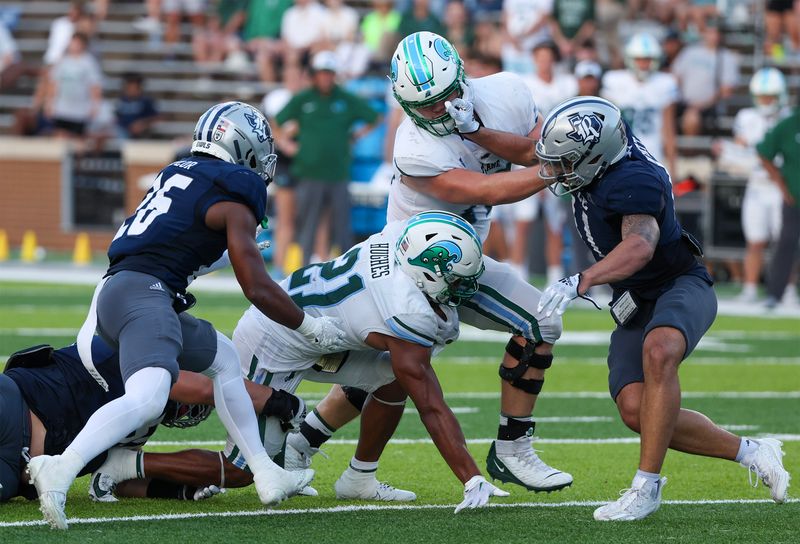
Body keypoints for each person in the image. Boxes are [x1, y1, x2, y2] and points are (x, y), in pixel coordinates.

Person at [24, 101, 351, 529]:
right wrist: (309, 325)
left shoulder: (178, 171)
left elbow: (169, 241)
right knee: (149, 398)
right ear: (242, 145)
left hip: (127, 290)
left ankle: (265, 471)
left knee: (224, 359)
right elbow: (255, 285)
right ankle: (62, 467)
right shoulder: (237, 186)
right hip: (145, 293)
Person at [296, 31, 570, 494]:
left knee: (537, 324)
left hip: (465, 251)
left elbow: (532, 150)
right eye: (425, 105)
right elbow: (486, 190)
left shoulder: (509, 91)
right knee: (398, 365)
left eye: (445, 98)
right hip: (413, 260)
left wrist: (482, 133)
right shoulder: (412, 147)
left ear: (463, 76)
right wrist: (557, 169)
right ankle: (317, 450)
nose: (437, 111)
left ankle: (511, 449)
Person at [90, 211, 511, 512]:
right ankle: (124, 464)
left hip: (316, 330)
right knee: (240, 471)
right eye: (456, 281)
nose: (463, 291)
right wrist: (471, 477)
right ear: (428, 271)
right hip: (273, 340)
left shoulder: (396, 239)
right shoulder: (406, 307)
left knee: (393, 376)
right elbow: (431, 402)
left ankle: (357, 477)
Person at [535, 96, 790, 521]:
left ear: (596, 156)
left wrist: (582, 279)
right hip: (634, 299)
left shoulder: (633, 177)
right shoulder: (601, 154)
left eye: (567, 162)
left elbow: (639, 245)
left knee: (661, 350)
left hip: (679, 283)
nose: (557, 171)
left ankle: (646, 487)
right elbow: (534, 149)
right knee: (636, 410)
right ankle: (752, 451)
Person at [0, 339, 261, 503]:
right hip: (15, 408)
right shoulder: (137, 349)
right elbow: (206, 389)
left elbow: (122, 477)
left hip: (15, 471)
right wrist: (276, 401)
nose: (189, 411)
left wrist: (177, 490)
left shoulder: (143, 413)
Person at [274, 51, 380, 265]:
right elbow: (277, 121)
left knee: (341, 225)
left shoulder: (345, 98)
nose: (325, 78)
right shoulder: (304, 98)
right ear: (315, 74)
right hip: (308, 171)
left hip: (338, 172)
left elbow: (374, 116)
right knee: (307, 223)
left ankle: (349, 269)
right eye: (322, 73)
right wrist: (287, 145)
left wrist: (356, 136)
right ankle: (302, 269)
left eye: (329, 73)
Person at [715, 68, 791, 303]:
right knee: (755, 241)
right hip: (757, 185)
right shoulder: (747, 117)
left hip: (781, 187)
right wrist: (726, 152)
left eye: (770, 96)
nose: (766, 101)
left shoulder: (789, 118)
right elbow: (739, 149)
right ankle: (749, 288)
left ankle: (786, 290)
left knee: (785, 242)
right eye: (762, 96)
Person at [602, 32, 678, 177]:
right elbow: (607, 126)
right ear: (630, 59)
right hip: (621, 153)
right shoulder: (615, 81)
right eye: (639, 59)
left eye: (647, 59)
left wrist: (673, 168)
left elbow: (668, 129)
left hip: (653, 152)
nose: (643, 64)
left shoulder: (665, 83)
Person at [757, 90, 800, 309]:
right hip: (794, 198)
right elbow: (764, 152)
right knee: (786, 244)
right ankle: (774, 294)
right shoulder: (790, 124)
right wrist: (782, 186)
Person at [671, 22, 739, 136]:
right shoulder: (689, 52)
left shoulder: (726, 58)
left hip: (711, 107)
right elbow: (676, 78)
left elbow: (726, 90)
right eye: (710, 32)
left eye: (715, 33)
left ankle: (689, 151)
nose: (713, 36)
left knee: (692, 119)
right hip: (683, 103)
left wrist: (700, 105)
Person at [46, 32, 102, 143]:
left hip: (80, 110)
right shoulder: (63, 61)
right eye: (73, 42)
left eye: (77, 43)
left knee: (79, 140)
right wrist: (50, 102)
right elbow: (54, 83)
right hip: (62, 108)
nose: (74, 45)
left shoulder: (89, 62)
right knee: (59, 137)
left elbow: (94, 86)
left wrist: (95, 105)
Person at [115, 73, 159, 139]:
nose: (131, 90)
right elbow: (117, 117)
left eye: (133, 87)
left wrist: (143, 124)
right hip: (123, 130)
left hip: (141, 131)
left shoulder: (146, 101)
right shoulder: (122, 100)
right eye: (129, 87)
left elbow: (156, 117)